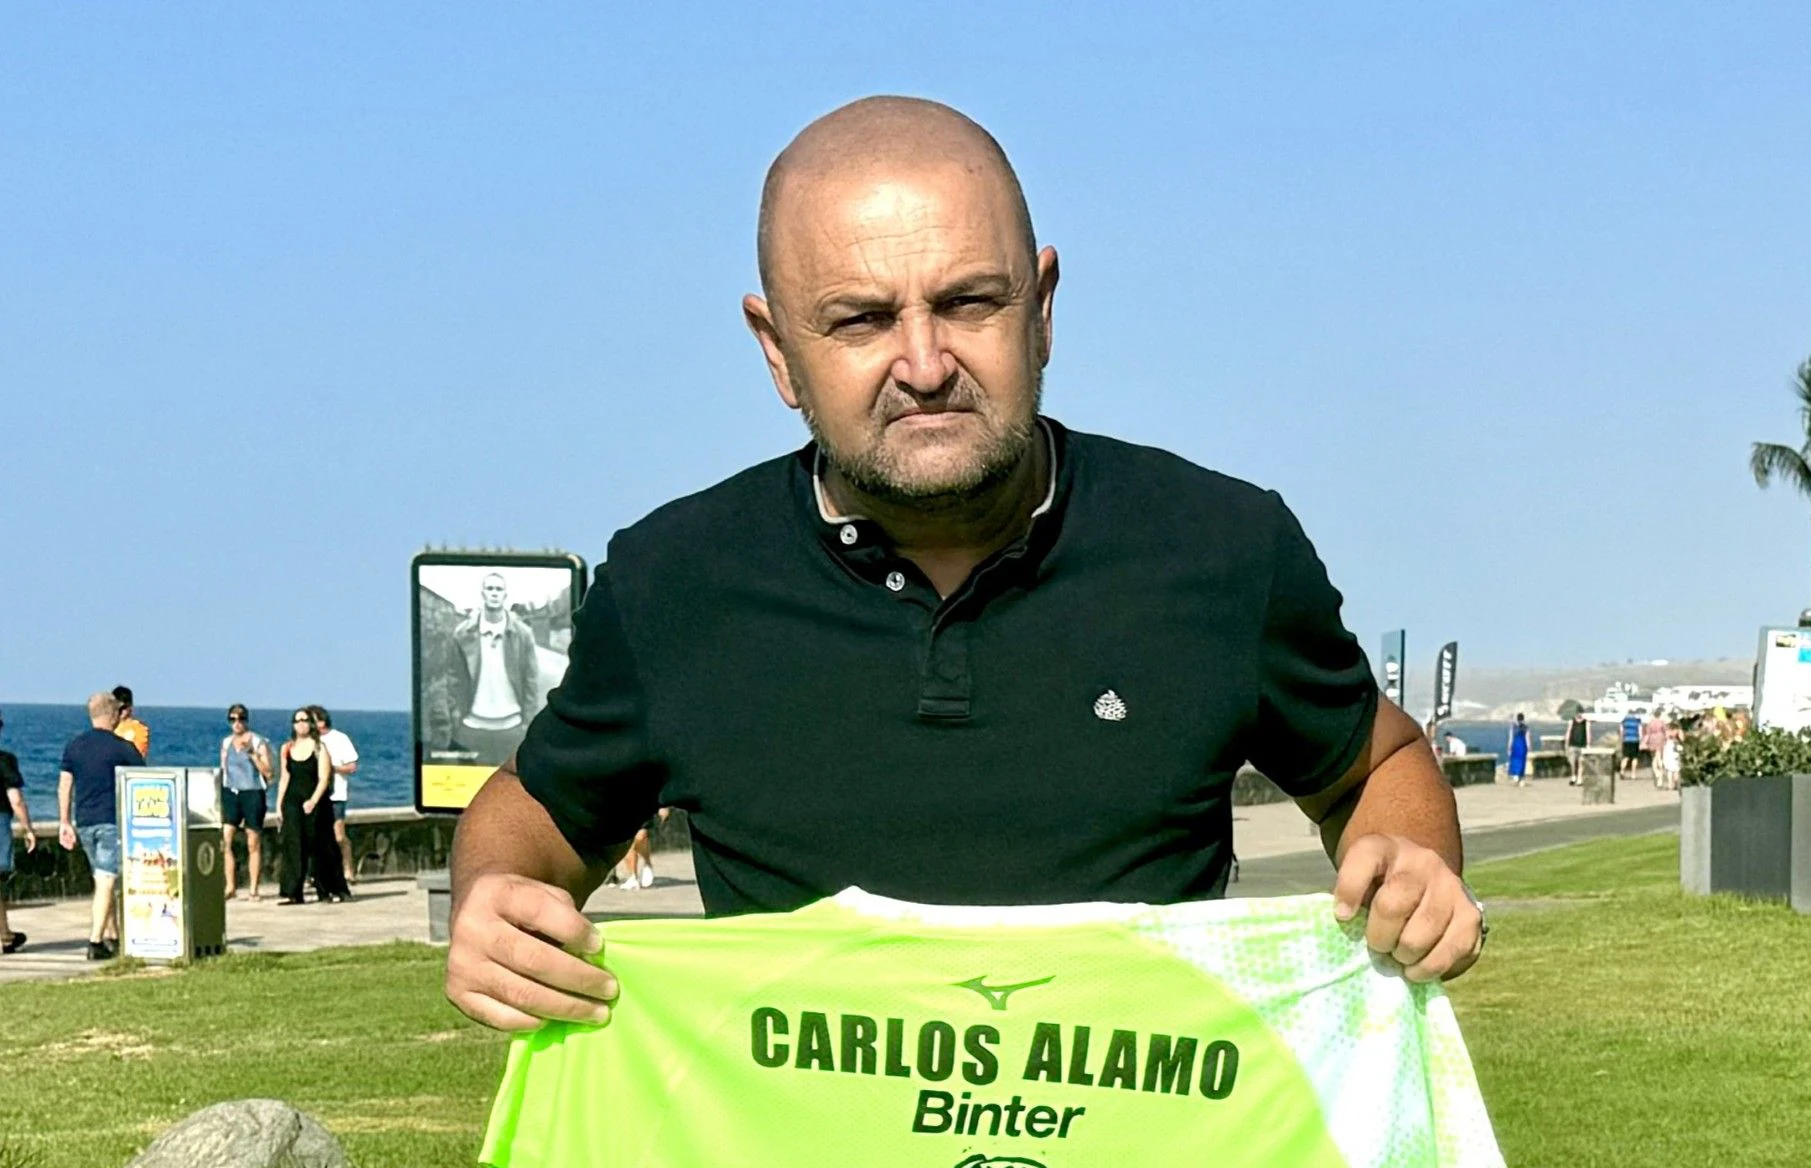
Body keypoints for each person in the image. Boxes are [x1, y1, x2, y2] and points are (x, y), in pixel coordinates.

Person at [446, 97, 1484, 1032]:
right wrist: (494, 892)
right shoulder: (673, 581)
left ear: (1042, 310)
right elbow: (538, 812)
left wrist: (1414, 861)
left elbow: (1377, 764)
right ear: (775, 350)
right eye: (859, 319)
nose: (925, 364)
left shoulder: (1225, 549)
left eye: (968, 303)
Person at [58, 691, 145, 960]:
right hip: (111, 821)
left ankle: (114, 937)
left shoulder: (74, 746)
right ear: (113, 714)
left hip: (84, 822)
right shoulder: (122, 748)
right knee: (107, 880)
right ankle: (95, 941)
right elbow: (143, 783)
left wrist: (64, 821)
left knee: (103, 880)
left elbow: (65, 785)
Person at [451, 572, 542, 765]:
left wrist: (528, 724)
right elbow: (454, 679)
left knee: (515, 789)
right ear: (482, 593)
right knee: (470, 791)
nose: (494, 593)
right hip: (472, 725)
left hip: (512, 726)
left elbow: (531, 680)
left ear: (505, 595)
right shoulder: (462, 634)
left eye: (498, 589)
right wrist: (456, 719)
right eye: (490, 588)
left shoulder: (523, 634)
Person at [275, 709, 348, 904]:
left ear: (311, 724)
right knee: (293, 844)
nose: (301, 724)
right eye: (297, 720)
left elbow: (324, 778)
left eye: (305, 720)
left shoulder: (319, 748)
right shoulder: (287, 748)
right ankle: (293, 892)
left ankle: (327, 890)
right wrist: (279, 805)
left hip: (315, 802)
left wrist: (313, 800)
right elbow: (284, 778)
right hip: (292, 800)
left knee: (320, 846)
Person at [219, 703, 274, 900]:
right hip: (232, 792)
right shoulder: (226, 743)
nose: (237, 723)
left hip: (253, 793)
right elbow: (224, 769)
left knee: (253, 842)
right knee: (226, 840)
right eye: (233, 719)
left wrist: (252, 754)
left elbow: (269, 772)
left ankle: (253, 888)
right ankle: (230, 886)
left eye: (241, 719)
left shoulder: (258, 742)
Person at [310, 706, 360, 884]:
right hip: (315, 794)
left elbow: (352, 766)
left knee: (338, 835)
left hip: (336, 794)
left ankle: (348, 868)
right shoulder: (309, 741)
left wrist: (332, 769)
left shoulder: (339, 738)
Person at [0, 711, 34, 955]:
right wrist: (28, 828)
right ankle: (4, 936)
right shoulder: (5, 761)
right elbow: (16, 800)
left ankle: (5, 935)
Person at [112, 685, 150, 759]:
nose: (120, 711)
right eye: (116, 707)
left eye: (123, 707)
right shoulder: (107, 727)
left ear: (130, 706)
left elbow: (139, 754)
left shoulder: (139, 729)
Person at [1643, 711, 1671, 790]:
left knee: (1654, 758)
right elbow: (1666, 732)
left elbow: (1647, 734)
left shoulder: (1650, 723)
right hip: (1660, 738)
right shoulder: (1662, 722)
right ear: (1660, 715)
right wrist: (1666, 740)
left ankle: (1656, 772)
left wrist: (1645, 742)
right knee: (1659, 757)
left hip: (1652, 739)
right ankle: (1660, 778)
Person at [1563, 704, 1589, 784]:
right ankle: (1573, 776)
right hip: (1572, 744)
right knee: (1573, 762)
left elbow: (1588, 733)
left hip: (1582, 745)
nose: (1579, 714)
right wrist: (1566, 742)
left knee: (1581, 763)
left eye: (1580, 712)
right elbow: (1568, 732)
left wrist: (1588, 744)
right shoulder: (1572, 721)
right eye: (1578, 712)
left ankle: (1579, 779)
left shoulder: (1586, 722)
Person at [1506, 711, 1530, 786]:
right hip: (1522, 745)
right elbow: (1527, 738)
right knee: (1522, 761)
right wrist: (1529, 747)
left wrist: (1509, 747)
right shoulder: (1526, 727)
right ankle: (1521, 777)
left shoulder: (1513, 727)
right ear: (1523, 719)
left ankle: (1516, 776)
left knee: (1515, 760)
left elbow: (1511, 738)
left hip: (1515, 745)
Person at [1620, 708, 1643, 777]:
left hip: (1626, 740)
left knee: (1625, 757)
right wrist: (1641, 739)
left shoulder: (1624, 720)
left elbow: (1621, 730)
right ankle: (1633, 774)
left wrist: (1622, 739)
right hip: (1635, 740)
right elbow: (1640, 730)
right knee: (1635, 758)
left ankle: (1622, 771)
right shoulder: (1637, 721)